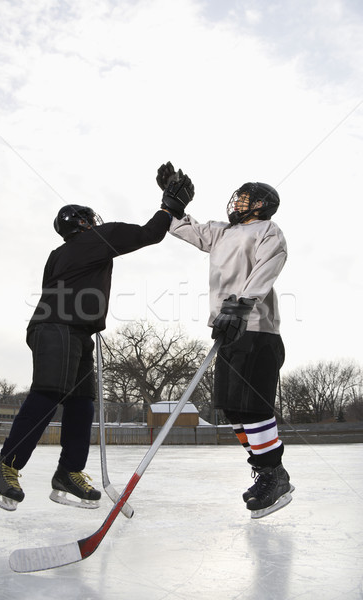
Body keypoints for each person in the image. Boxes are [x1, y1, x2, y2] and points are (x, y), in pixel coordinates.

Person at [0, 176, 194, 511]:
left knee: (82, 403)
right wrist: (169, 207)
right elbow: (148, 234)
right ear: (85, 223)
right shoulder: (98, 237)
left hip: (73, 331)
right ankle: (5, 466)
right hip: (58, 328)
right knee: (48, 394)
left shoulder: (59, 253)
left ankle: (68, 472)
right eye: (92, 221)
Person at [156, 162, 293, 518]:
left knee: (253, 407)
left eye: (246, 198)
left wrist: (242, 305)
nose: (238, 202)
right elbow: (184, 229)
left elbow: (267, 267)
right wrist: (171, 204)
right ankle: (266, 470)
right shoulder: (220, 232)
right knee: (232, 409)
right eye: (239, 197)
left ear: (262, 205)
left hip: (256, 330)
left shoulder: (269, 231)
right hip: (227, 329)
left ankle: (274, 475)